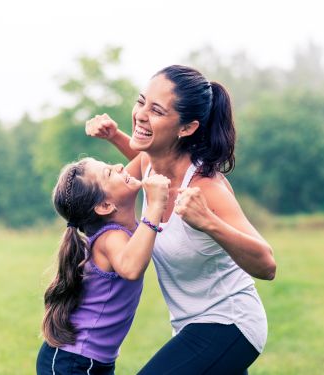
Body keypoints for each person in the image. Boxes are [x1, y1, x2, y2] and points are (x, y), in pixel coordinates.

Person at [85, 65, 277, 374]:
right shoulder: (148, 165)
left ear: (186, 128)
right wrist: (115, 136)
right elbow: (124, 179)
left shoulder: (206, 188)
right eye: (141, 101)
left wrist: (209, 223)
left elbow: (267, 265)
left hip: (229, 323)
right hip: (190, 326)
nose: (141, 114)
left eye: (157, 111)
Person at [36, 157, 170, 374]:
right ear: (105, 206)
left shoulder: (120, 229)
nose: (120, 166)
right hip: (74, 361)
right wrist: (155, 206)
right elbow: (131, 268)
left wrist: (115, 134)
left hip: (88, 360)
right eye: (109, 172)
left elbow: (146, 156)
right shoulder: (110, 238)